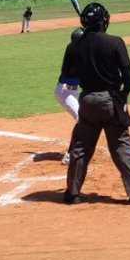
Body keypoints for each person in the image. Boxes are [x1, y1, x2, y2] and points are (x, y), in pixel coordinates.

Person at [62, 1, 130, 206]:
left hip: (86, 100)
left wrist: (85, 63)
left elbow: (68, 76)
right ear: (104, 21)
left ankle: (72, 193)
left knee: (80, 147)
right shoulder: (115, 42)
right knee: (121, 145)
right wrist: (124, 96)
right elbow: (127, 75)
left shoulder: (74, 46)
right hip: (110, 99)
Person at [54, 27, 84, 164]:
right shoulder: (72, 52)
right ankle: (70, 154)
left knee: (90, 117)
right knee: (82, 119)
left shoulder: (80, 51)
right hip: (64, 91)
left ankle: (82, 148)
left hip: (74, 91)